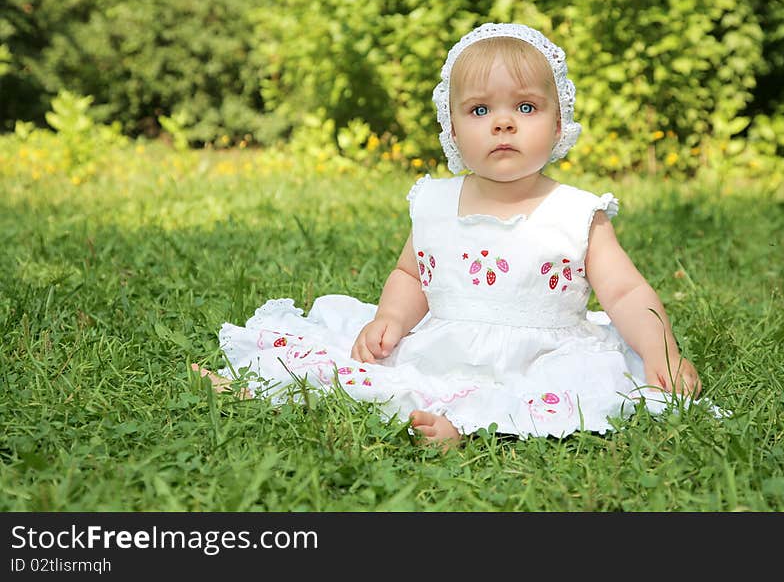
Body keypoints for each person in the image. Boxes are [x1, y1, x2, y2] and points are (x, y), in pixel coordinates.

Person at [205, 22, 705, 450]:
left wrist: (663, 351)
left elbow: (625, 291)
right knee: (369, 366)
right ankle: (262, 384)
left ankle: (463, 427)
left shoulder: (577, 212)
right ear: (453, 128)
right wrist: (391, 318)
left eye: (526, 108)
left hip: (543, 354)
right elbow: (411, 272)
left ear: (558, 126)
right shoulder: (436, 204)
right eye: (480, 111)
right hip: (446, 342)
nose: (503, 123)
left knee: (561, 390)